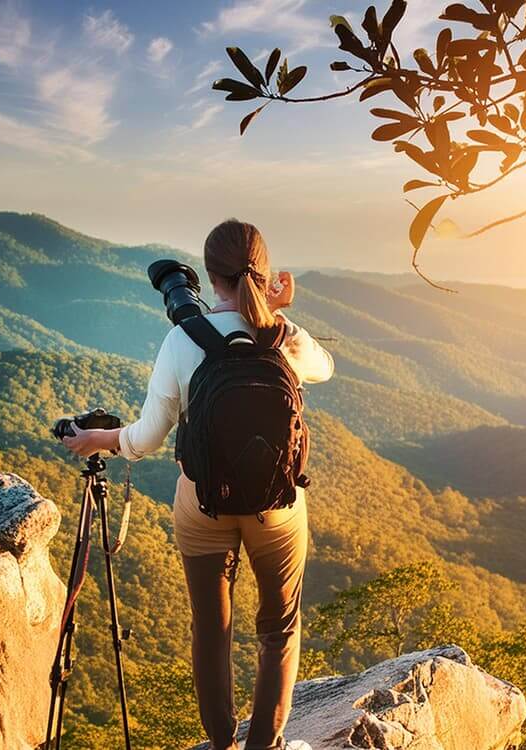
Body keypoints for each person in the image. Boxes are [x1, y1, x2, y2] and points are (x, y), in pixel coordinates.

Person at [62, 219, 334, 750]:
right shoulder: (283, 338)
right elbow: (325, 368)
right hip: (277, 507)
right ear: (264, 270)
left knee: (211, 628)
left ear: (210, 276)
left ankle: (222, 743)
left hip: (202, 503)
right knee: (278, 629)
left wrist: (99, 437)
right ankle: (265, 744)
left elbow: (144, 441)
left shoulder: (181, 340)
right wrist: (278, 313)